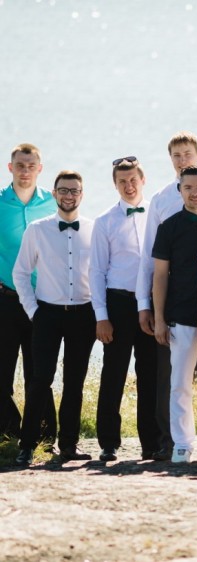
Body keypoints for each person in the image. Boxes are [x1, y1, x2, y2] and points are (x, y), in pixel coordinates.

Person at [136, 131, 197, 461]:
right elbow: (154, 267)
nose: (182, 160)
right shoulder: (164, 213)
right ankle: (182, 443)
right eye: (176, 155)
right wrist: (152, 311)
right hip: (179, 311)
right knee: (179, 383)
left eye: (188, 154)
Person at [14, 171, 96, 466]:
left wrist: (100, 313)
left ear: (81, 194)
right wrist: (34, 312)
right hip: (47, 314)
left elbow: (100, 274)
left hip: (83, 315)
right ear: (54, 193)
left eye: (74, 190)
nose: (69, 196)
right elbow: (21, 273)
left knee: (74, 382)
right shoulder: (37, 229)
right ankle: (27, 445)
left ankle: (69, 445)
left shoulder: (93, 229)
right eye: (63, 190)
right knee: (40, 380)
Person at [90, 157, 160, 462]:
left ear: (142, 180)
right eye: (122, 181)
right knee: (114, 373)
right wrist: (101, 317)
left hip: (152, 303)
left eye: (133, 180)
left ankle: (151, 442)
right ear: (115, 184)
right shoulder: (105, 221)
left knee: (150, 373)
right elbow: (96, 271)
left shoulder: (157, 214)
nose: (128, 186)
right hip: (118, 303)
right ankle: (108, 442)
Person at [0, 143, 57, 441]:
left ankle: (45, 437)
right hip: (6, 299)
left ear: (39, 169)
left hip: (41, 301)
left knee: (40, 373)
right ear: (10, 168)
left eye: (31, 166)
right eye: (20, 166)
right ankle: (9, 434)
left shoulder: (53, 202)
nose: (25, 171)